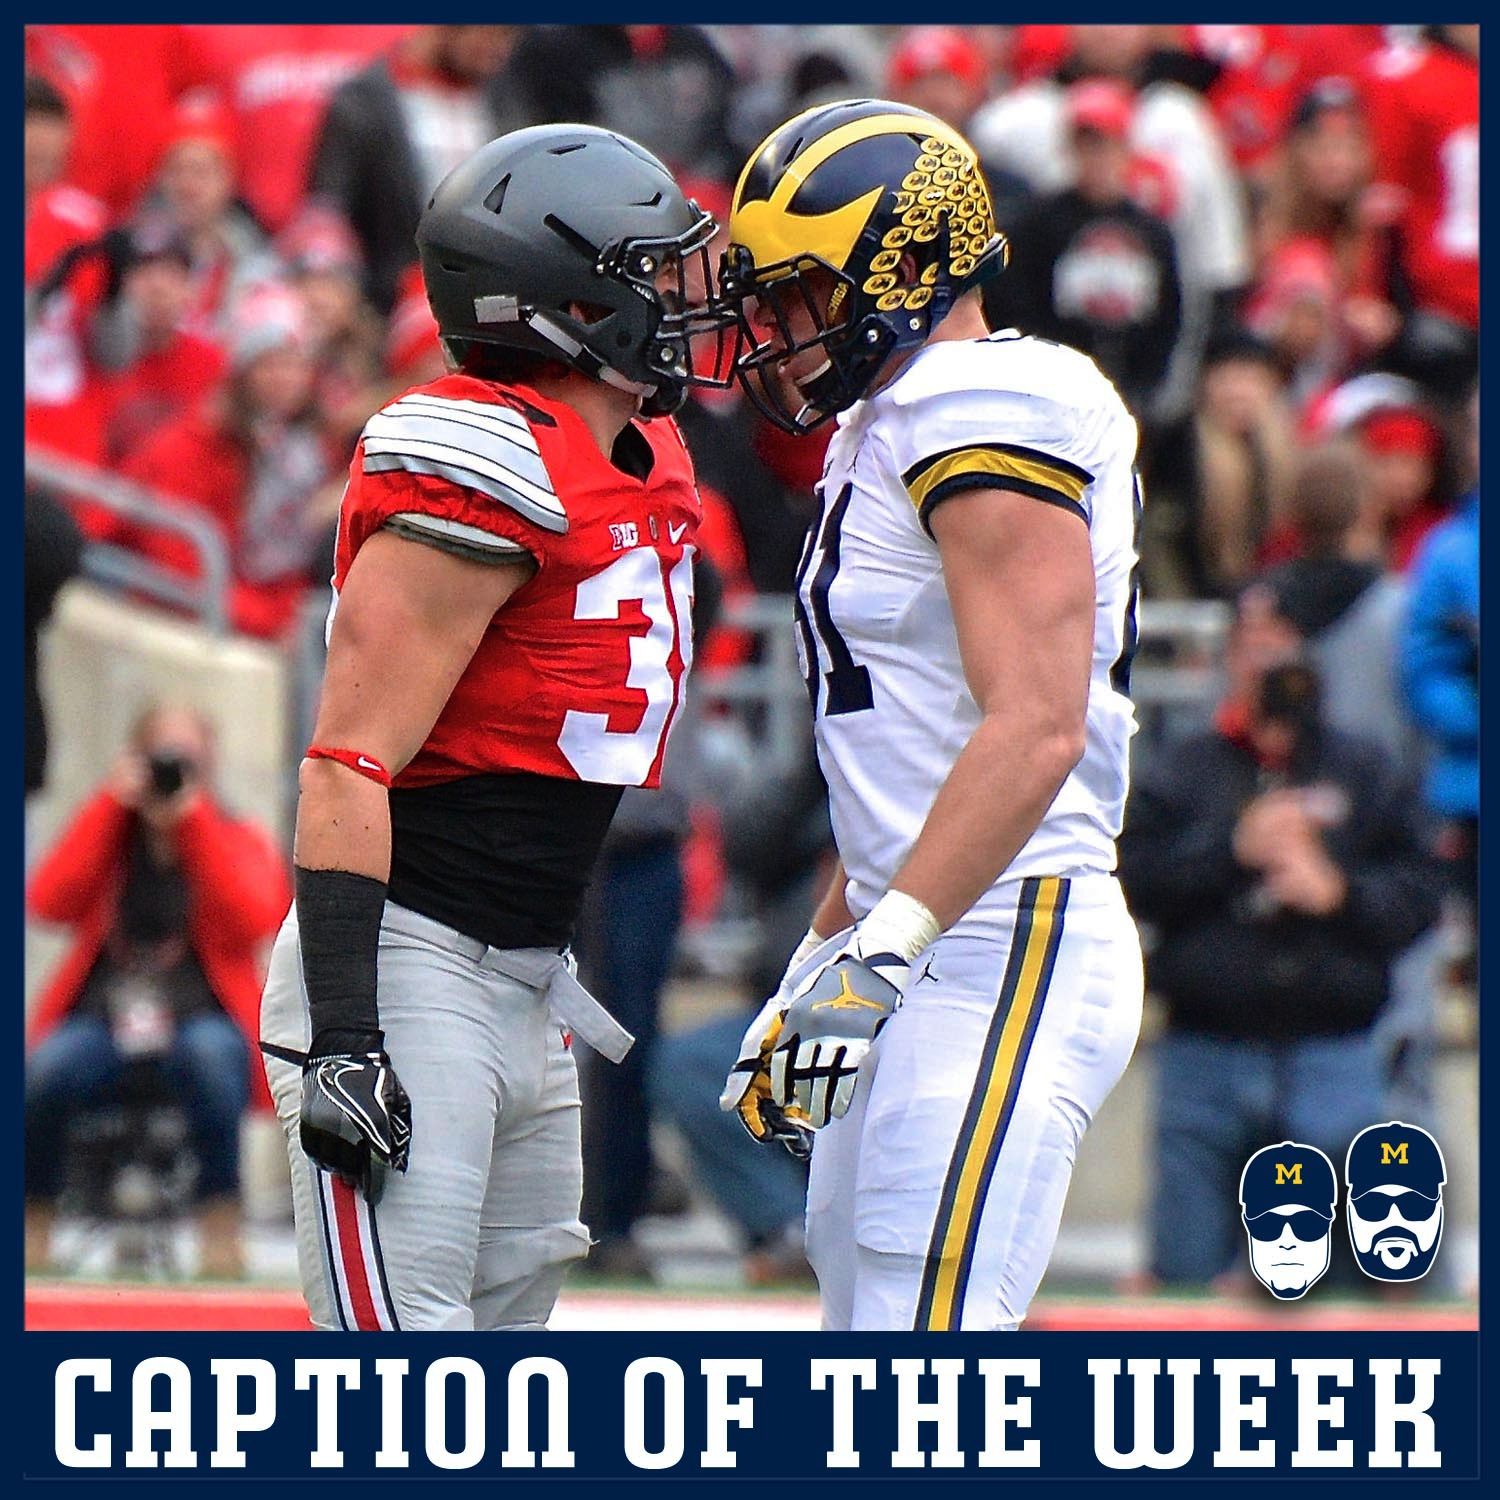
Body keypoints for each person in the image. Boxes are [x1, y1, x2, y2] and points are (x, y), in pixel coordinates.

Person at [258, 123, 721, 1331]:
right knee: (403, 1388)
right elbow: (346, 763)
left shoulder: (642, 451)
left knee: (501, 1397)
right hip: (406, 972)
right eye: (652, 273)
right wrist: (346, 1035)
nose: (683, 299)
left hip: (529, 980)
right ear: (565, 299)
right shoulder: (477, 455)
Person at [710, 100, 1145, 1331]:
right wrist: (823, 956)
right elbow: (900, 757)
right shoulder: (887, 422)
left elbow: (1038, 725)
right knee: (867, 1332)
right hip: (920, 931)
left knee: (924, 1359)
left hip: (1008, 932)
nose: (778, 327)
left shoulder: (984, 400)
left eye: (800, 290)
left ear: (901, 268)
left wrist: (881, 950)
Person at [1117, 592, 1441, 1290]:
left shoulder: (1365, 768)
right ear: (1230, 657)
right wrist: (1233, 850)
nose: (1269, 659)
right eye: (1253, 641)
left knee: (1325, 1283)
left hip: (1333, 1050)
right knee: (1186, 1271)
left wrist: (1338, 892)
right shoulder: (1185, 767)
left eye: (1283, 640)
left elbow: (1421, 895)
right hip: (1205, 1050)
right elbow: (1134, 880)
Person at [26, 705, 290, 1277]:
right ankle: (32, 1223)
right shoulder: (112, 835)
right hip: (106, 1017)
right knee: (49, 1068)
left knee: (214, 1058)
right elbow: (47, 900)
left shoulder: (233, 833)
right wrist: (110, 804)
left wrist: (193, 825)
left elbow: (256, 917)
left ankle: (220, 1226)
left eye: (186, 758)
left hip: (199, 1018)